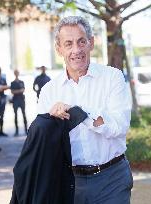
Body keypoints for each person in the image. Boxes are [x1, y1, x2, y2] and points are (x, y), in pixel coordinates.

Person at [37, 16, 133, 204]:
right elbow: (43, 144)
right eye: (68, 43)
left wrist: (79, 112)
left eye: (82, 41)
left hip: (112, 179)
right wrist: (50, 122)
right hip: (69, 182)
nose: (76, 50)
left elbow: (119, 126)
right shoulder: (49, 91)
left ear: (91, 43)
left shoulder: (113, 77)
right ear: (59, 49)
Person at [10, 70, 28, 136]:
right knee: (15, 116)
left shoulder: (21, 82)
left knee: (24, 115)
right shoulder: (12, 83)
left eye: (17, 73)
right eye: (16, 73)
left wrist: (17, 91)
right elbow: (12, 92)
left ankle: (26, 130)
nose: (17, 74)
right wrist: (19, 91)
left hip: (21, 100)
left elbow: (23, 90)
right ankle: (16, 131)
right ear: (14, 74)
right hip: (15, 101)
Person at [0, 67, 9, 137]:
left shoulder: (2, 79)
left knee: (2, 116)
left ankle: (1, 131)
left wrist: (2, 87)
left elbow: (7, 86)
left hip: (2, 100)